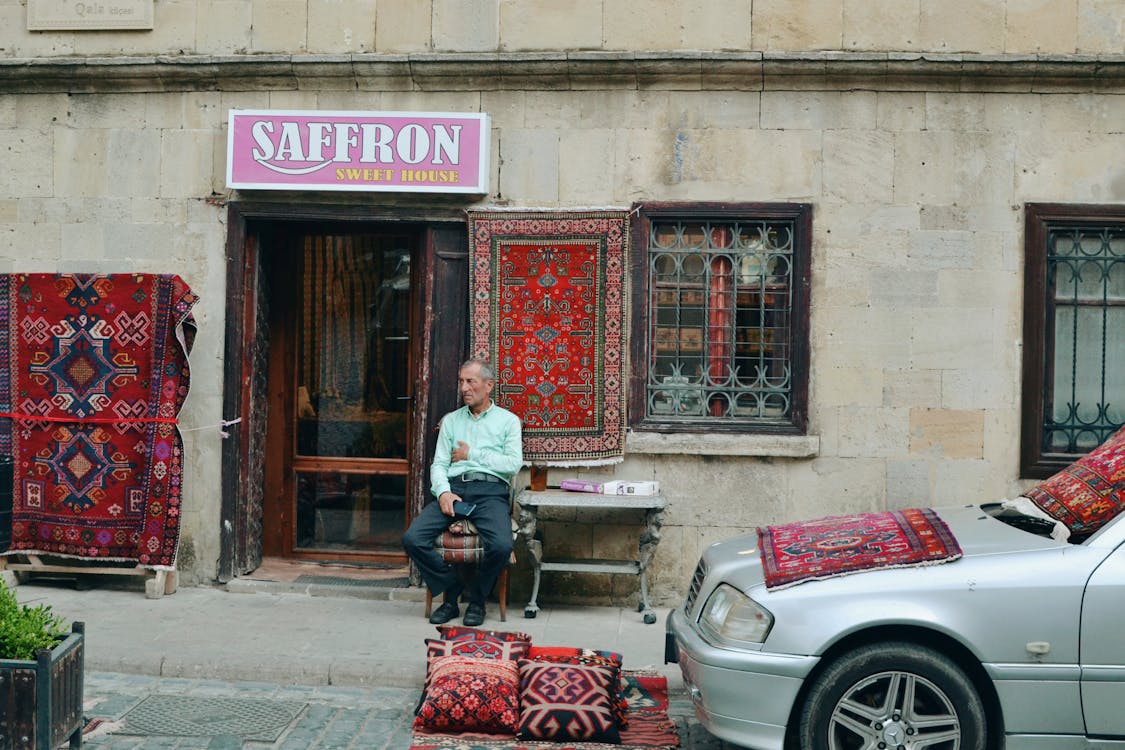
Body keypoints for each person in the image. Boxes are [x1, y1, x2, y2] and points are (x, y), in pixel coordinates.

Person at [402, 359, 522, 627]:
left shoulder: (508, 422)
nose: (464, 388)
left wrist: (473, 454)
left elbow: (513, 464)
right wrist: (443, 492)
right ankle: (451, 591)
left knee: (502, 545)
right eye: (461, 382)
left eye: (471, 382)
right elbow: (439, 464)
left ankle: (477, 600)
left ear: (488, 386)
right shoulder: (452, 422)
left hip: (491, 491)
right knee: (412, 538)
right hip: (456, 489)